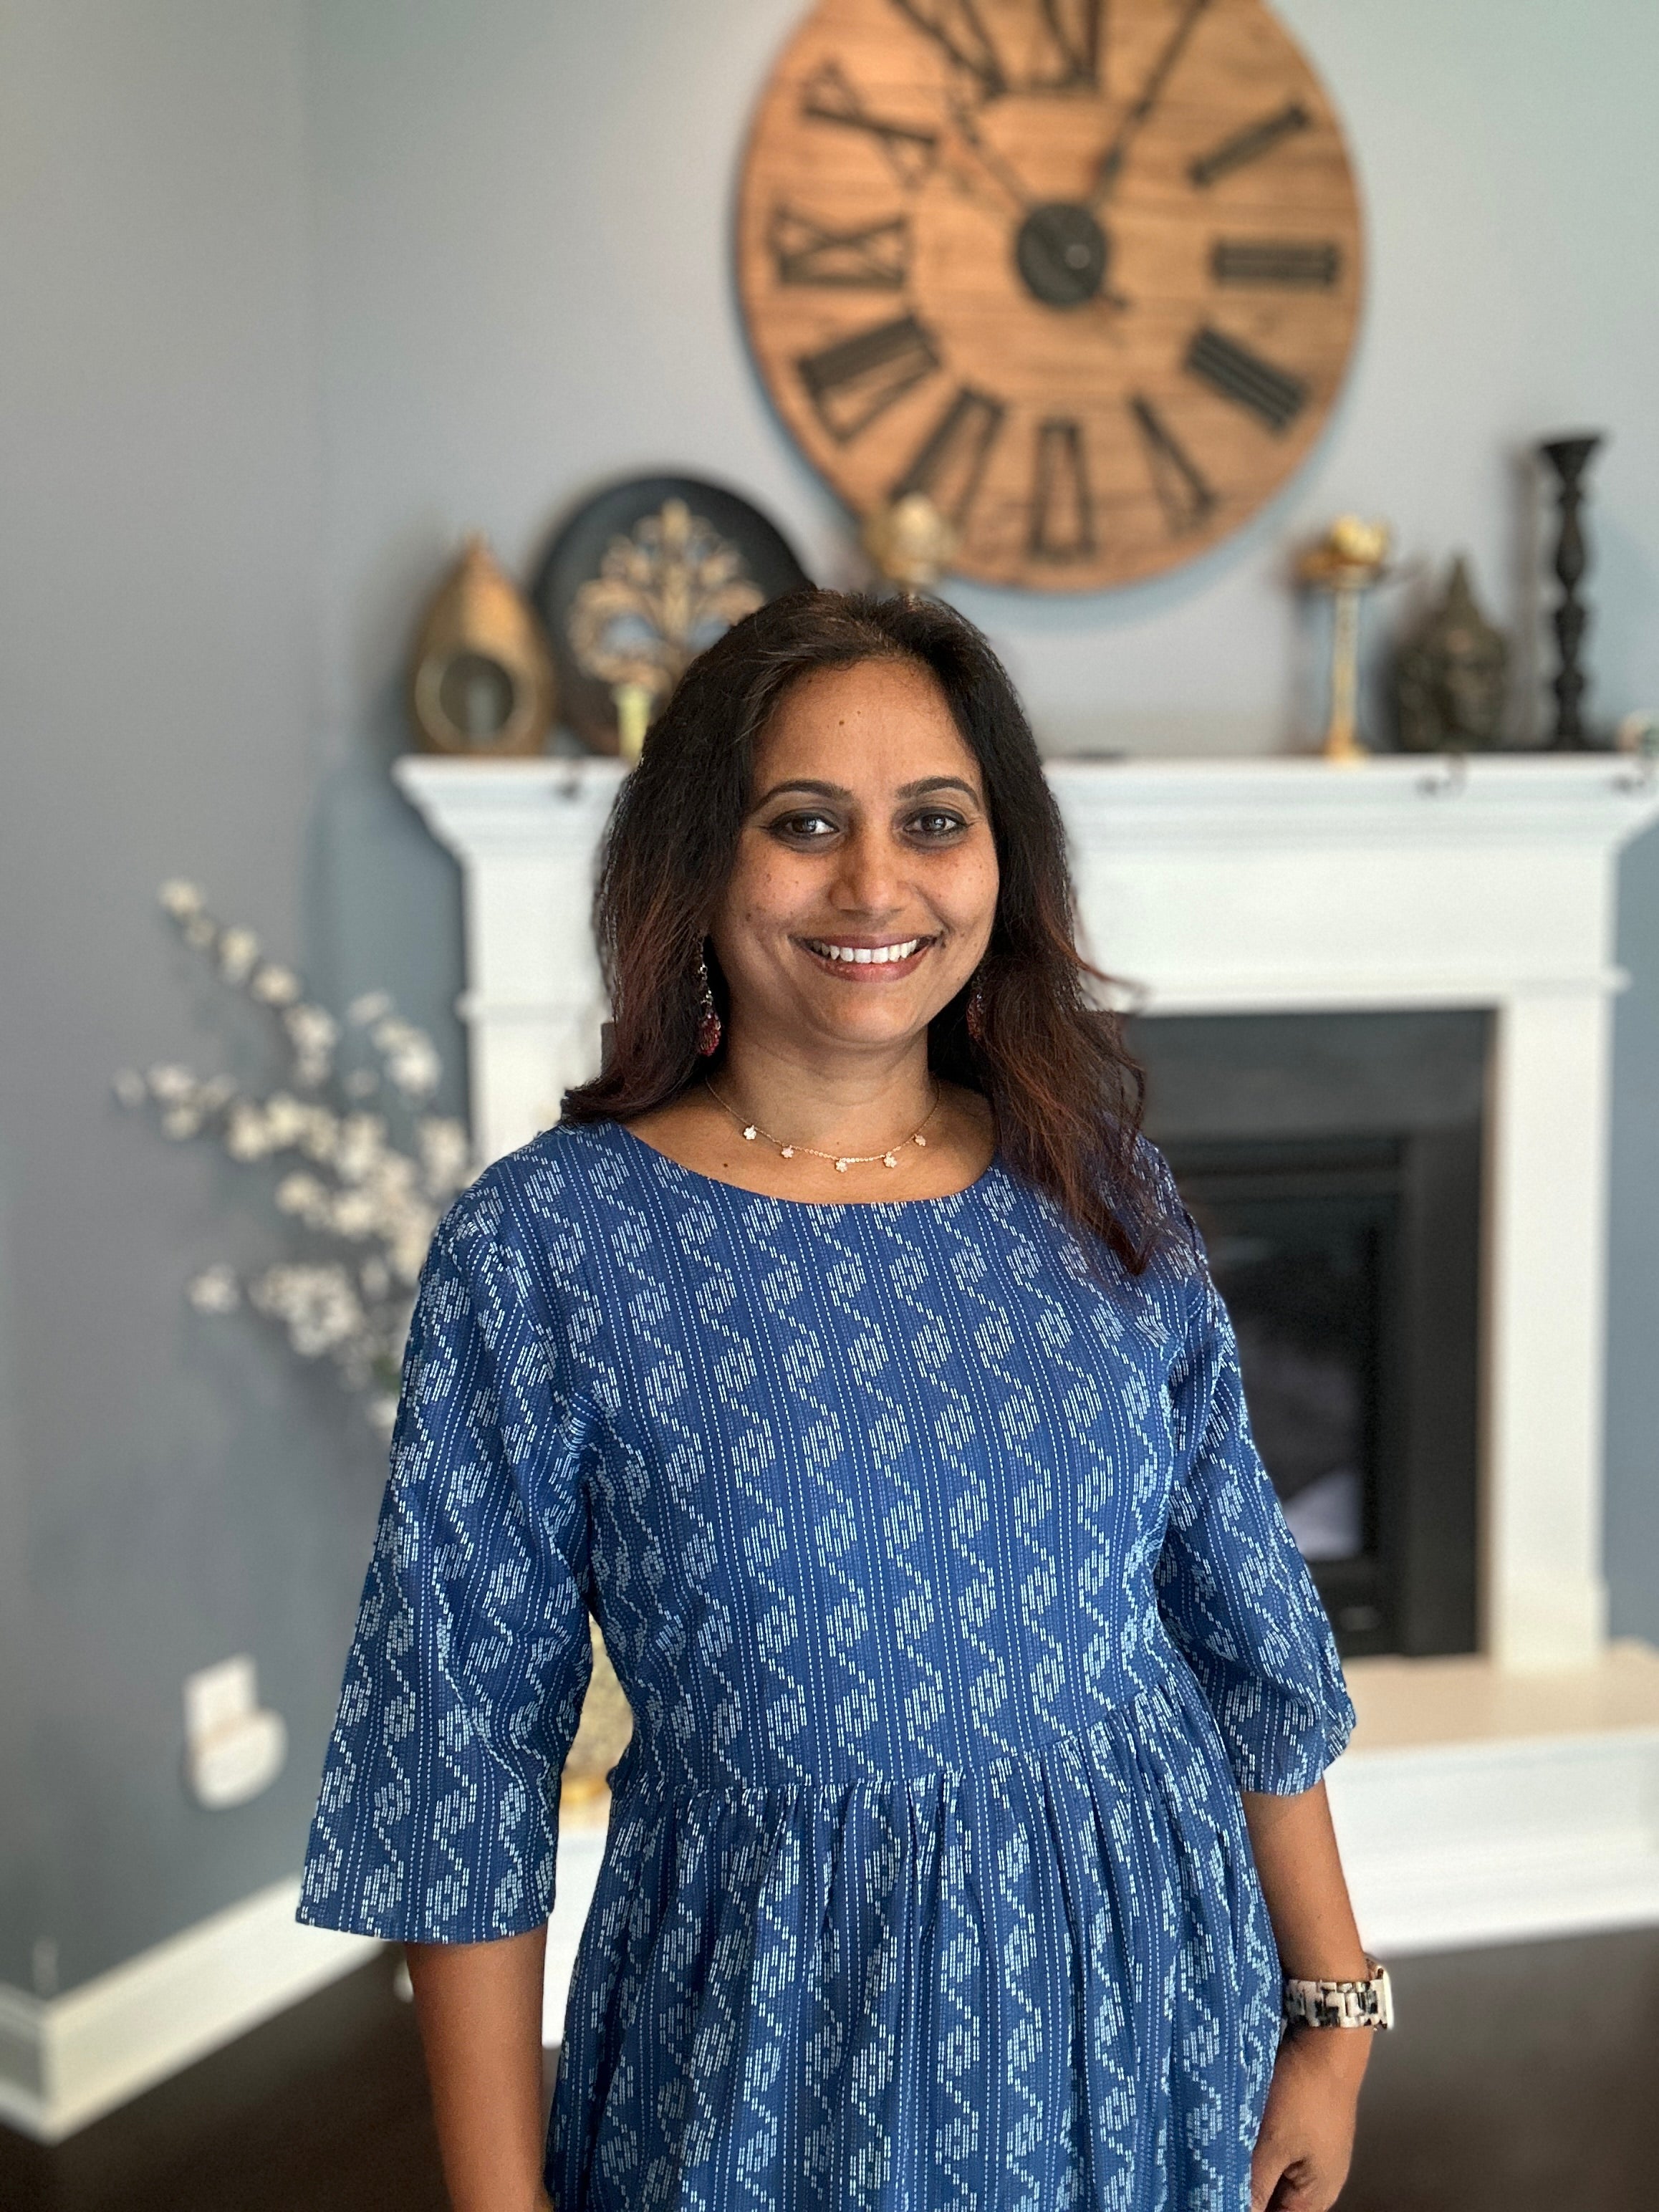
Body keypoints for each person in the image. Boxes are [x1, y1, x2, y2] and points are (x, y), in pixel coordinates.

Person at [298, 590, 1385, 2212]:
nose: (876, 883)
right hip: (773, 2054)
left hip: (1151, 1997)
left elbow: (1236, 1614)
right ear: (700, 863)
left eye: (933, 821)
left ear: (997, 858)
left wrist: (1335, 2007)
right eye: (804, 822)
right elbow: (460, 1767)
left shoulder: (1102, 1186)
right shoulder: (549, 1249)